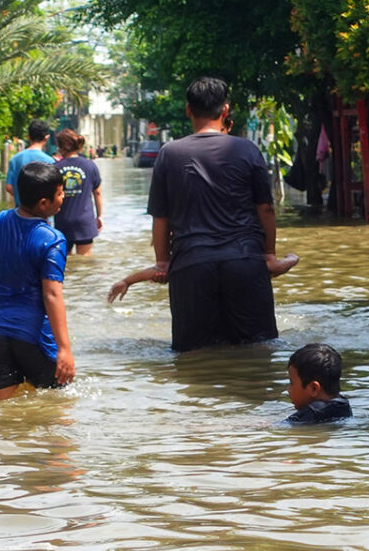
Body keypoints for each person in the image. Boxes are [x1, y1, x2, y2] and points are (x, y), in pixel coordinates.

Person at [144, 77, 281, 352]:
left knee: (193, 357)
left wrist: (162, 262)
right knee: (258, 352)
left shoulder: (169, 153)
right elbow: (265, 209)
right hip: (245, 262)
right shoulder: (247, 150)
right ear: (225, 110)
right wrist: (269, 255)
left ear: (187, 110)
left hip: (191, 266)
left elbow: (161, 218)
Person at [0, 161, 74, 400]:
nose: (64, 197)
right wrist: (64, 349)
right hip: (34, 338)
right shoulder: (53, 240)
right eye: (60, 193)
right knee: (58, 416)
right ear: (44, 203)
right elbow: (51, 294)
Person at [108, 252, 299, 303]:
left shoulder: (185, 262)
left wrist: (127, 281)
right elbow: (269, 270)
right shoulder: (240, 257)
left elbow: (159, 271)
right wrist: (292, 259)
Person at [51, 129, 104, 255]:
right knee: (84, 262)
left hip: (63, 220)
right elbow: (97, 193)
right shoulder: (90, 165)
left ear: (60, 146)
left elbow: (50, 195)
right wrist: (100, 216)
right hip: (85, 222)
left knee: (65, 262)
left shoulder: (55, 168)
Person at [285, 342, 351, 424]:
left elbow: (279, 428)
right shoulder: (343, 404)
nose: (288, 390)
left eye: (292, 383)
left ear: (314, 388)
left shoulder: (313, 411)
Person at [3, 120, 53, 205]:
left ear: (28, 137)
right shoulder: (50, 161)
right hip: (44, 213)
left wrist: (21, 197)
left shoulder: (15, 159)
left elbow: (8, 187)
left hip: (21, 211)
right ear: (46, 138)